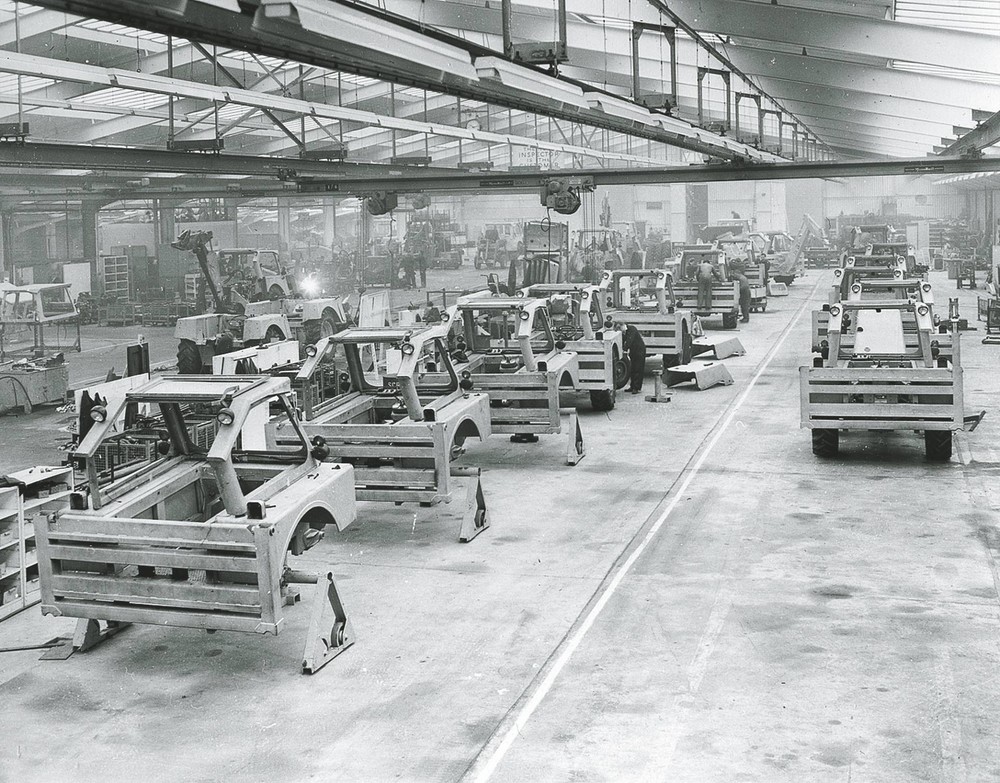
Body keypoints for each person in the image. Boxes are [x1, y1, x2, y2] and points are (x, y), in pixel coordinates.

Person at [616, 321, 646, 394]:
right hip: (633, 351)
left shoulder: (632, 329)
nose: (619, 330)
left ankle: (637, 387)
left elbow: (629, 340)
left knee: (638, 368)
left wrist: (624, 349)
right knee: (632, 369)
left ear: (623, 325)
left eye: (619, 328)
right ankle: (632, 386)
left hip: (639, 350)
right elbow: (623, 341)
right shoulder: (624, 332)